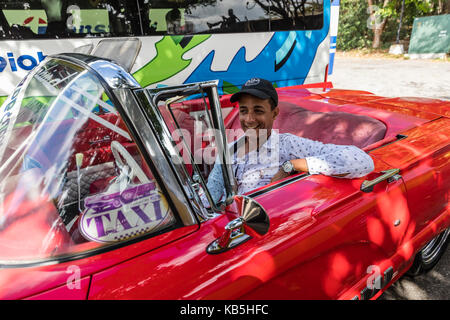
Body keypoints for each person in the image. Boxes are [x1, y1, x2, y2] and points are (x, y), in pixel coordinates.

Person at [204, 77, 375, 204]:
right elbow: (210, 198)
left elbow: (361, 160)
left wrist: (291, 165)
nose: (249, 119)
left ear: (275, 113)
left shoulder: (287, 145)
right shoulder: (229, 149)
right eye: (243, 111)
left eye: (258, 111)